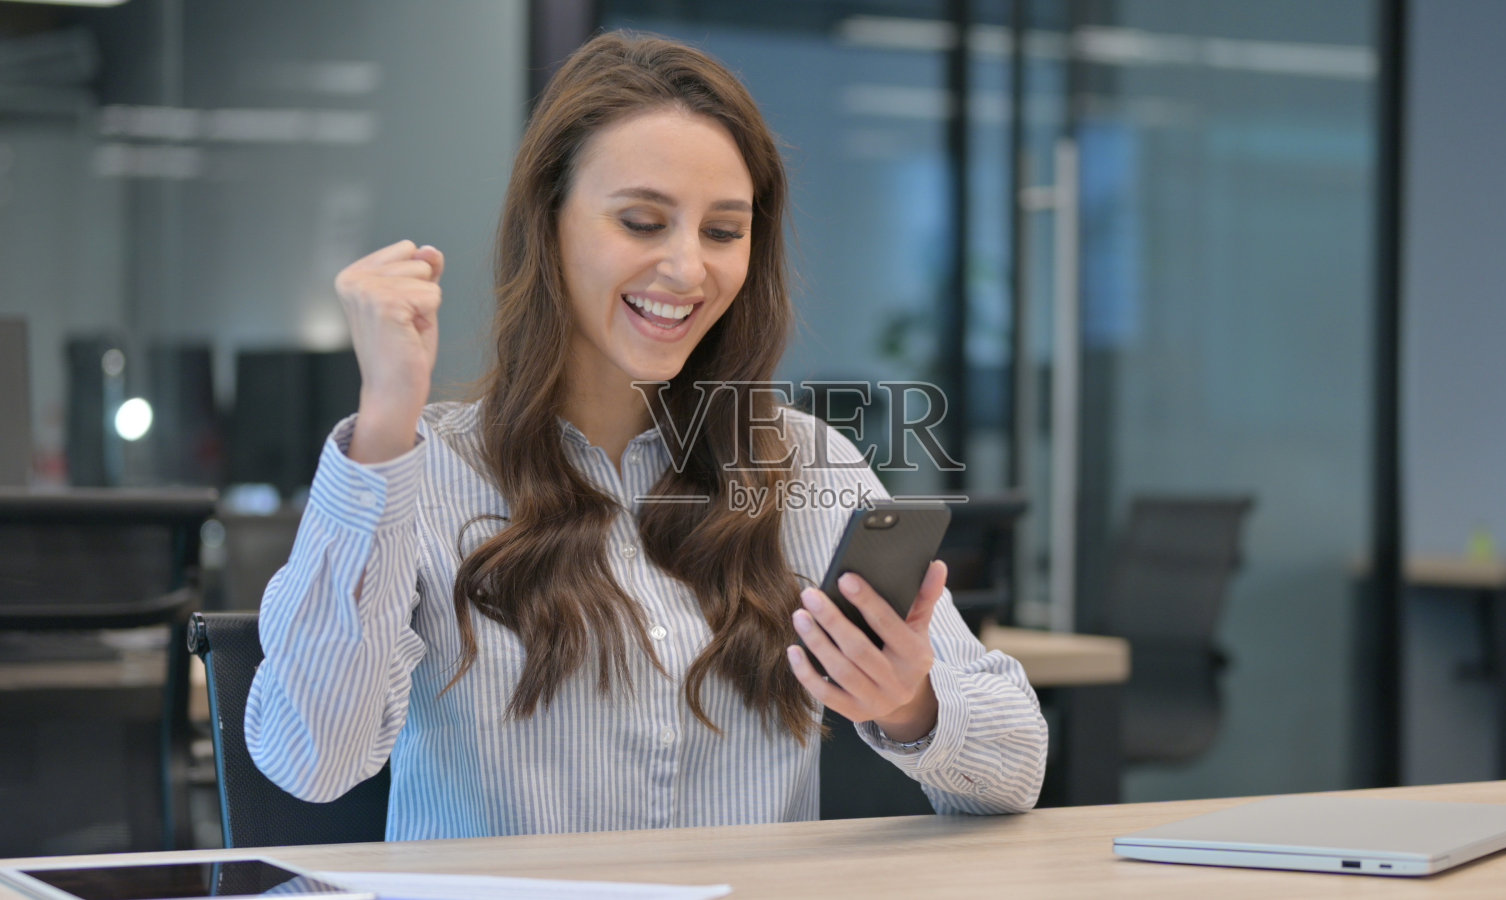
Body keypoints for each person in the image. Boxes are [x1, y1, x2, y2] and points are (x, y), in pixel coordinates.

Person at [245, 31, 1048, 840]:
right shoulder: (424, 472)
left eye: (723, 232)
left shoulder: (802, 465)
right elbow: (309, 760)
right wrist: (386, 417)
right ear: (548, 224)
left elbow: (1017, 768)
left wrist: (911, 703)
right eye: (641, 221)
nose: (687, 269)